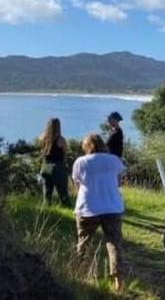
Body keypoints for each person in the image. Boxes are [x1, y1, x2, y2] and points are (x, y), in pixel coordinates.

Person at [72, 134, 126, 292]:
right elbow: (119, 182)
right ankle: (118, 283)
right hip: (112, 207)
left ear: (87, 146)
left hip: (87, 207)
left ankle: (82, 277)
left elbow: (77, 184)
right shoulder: (114, 160)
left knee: (84, 243)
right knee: (114, 245)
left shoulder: (80, 162)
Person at [38, 118, 72, 207]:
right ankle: (67, 208)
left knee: (47, 191)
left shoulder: (43, 138)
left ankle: (46, 209)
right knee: (63, 192)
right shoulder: (61, 140)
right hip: (58, 166)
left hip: (46, 165)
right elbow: (65, 152)